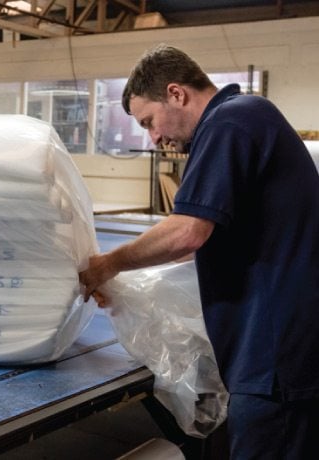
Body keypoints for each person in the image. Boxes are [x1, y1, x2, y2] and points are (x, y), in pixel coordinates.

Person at [79, 44, 319, 458]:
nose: (154, 138)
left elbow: (186, 233)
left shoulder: (230, 123)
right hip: (275, 352)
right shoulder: (244, 118)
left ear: (176, 93)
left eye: (149, 122)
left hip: (274, 357)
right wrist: (125, 286)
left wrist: (106, 265)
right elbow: (197, 247)